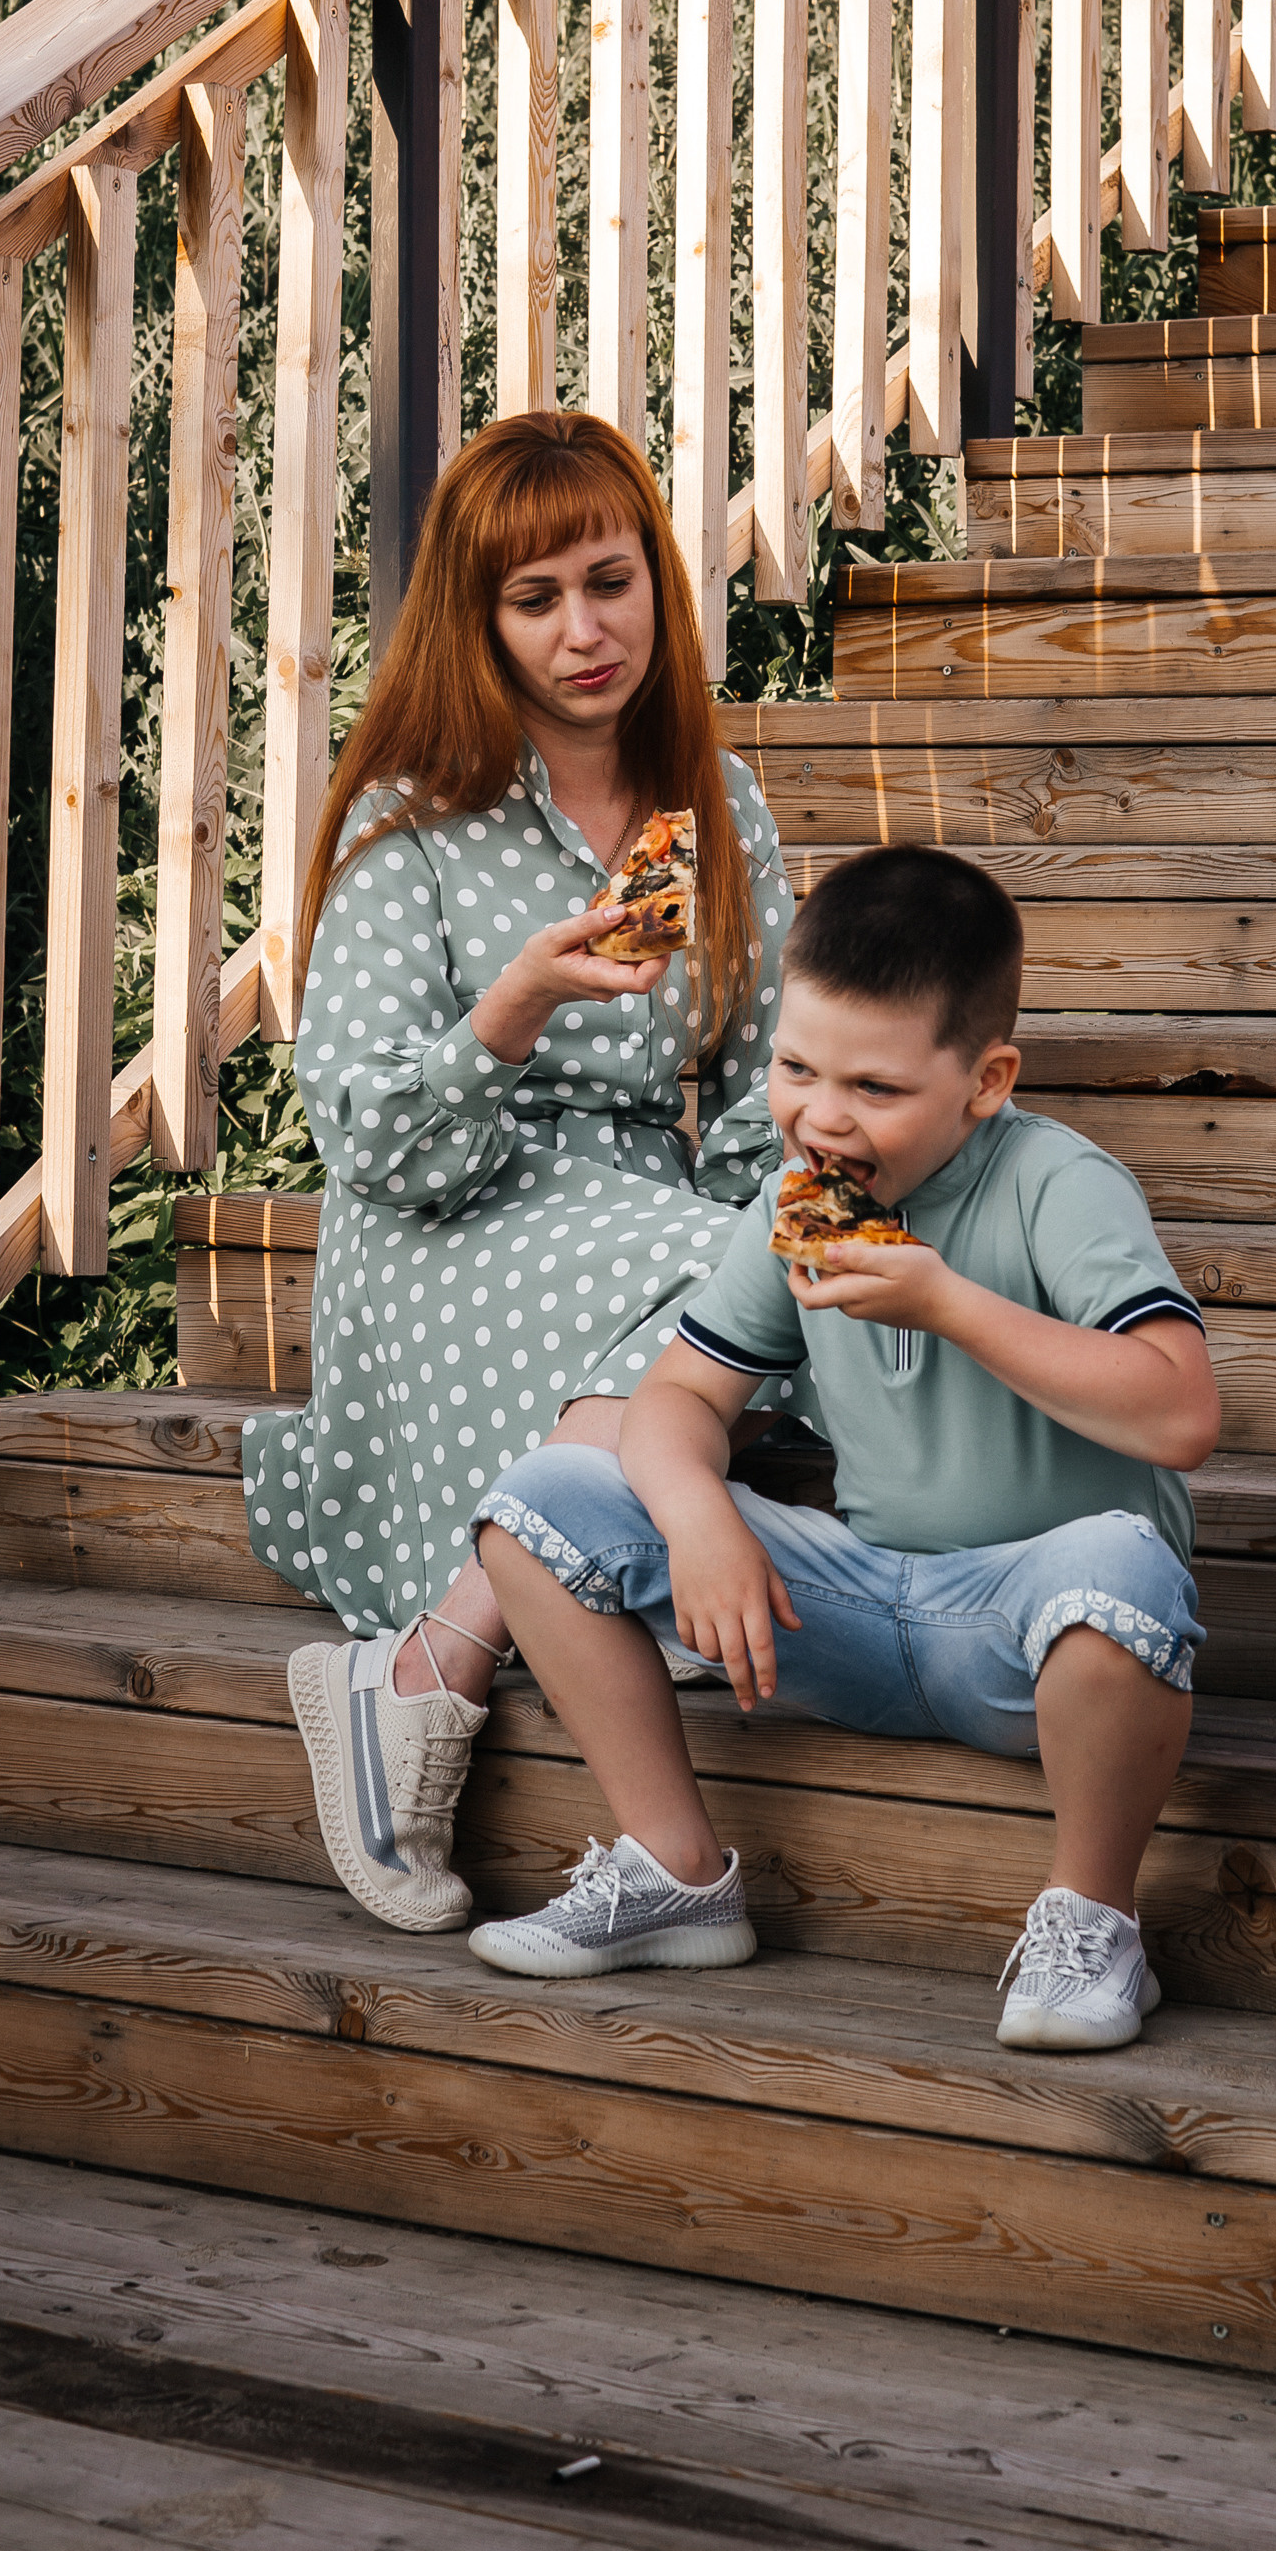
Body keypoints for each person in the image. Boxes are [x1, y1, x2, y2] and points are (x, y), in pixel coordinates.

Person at [464, 846, 1223, 2053]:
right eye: (795, 1067)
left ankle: (1092, 1922)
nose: (819, 1114)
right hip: (856, 1605)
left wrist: (947, 1303)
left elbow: (1181, 1413)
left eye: (872, 1087)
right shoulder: (794, 1198)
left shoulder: (1057, 1187)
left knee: (1124, 1569)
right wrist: (701, 1514)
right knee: (541, 1502)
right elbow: (675, 1399)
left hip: (1030, 1634)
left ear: (986, 1081)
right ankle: (677, 1874)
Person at [250, 410, 803, 1934]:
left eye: (609, 581)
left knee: (789, 1262)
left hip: (640, 1223)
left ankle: (436, 1656)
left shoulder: (721, 811)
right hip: (446, 1220)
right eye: (536, 598)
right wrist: (514, 1005)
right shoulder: (412, 821)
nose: (584, 630)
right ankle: (490, 1631)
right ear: (478, 621)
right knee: (725, 1289)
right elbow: (369, 1141)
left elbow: (766, 1088)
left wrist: (773, 1210)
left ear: (656, 588)